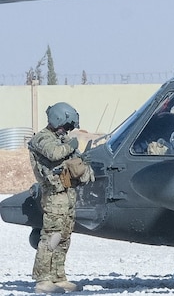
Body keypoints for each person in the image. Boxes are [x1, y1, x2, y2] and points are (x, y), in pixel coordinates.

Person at [28, 102, 94, 293]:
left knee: (64, 237)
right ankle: (43, 280)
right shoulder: (42, 139)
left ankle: (58, 276)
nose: (67, 130)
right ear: (57, 120)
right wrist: (71, 146)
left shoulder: (62, 141)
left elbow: (82, 171)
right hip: (54, 197)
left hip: (68, 195)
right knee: (52, 236)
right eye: (66, 126)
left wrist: (82, 165)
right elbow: (54, 153)